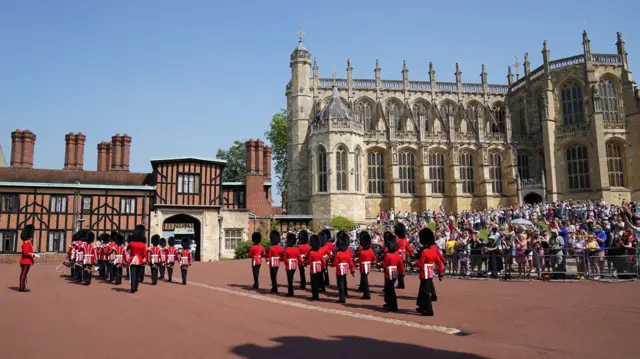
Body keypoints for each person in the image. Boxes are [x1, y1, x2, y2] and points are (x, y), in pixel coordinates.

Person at [416, 228, 444, 316]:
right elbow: (439, 263)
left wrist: (412, 264)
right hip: (430, 273)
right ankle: (421, 306)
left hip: (424, 273)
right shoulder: (433, 251)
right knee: (423, 290)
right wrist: (440, 274)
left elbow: (420, 264)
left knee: (425, 292)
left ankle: (428, 310)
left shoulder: (424, 252)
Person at [382, 232, 404, 312]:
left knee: (390, 290)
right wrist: (402, 273)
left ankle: (393, 306)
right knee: (390, 289)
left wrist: (380, 266)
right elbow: (400, 266)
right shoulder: (397, 255)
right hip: (395, 273)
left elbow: (384, 265)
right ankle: (389, 303)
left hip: (389, 273)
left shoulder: (387, 255)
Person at [332, 231, 356, 304]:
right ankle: (345, 293)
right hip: (346, 269)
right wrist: (352, 271)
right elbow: (351, 263)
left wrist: (331, 264)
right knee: (344, 281)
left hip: (339, 270)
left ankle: (342, 298)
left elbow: (335, 263)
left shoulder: (338, 254)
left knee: (340, 283)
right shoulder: (347, 253)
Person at [126, 225, 147, 293]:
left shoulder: (131, 243)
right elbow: (144, 254)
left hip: (132, 259)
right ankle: (136, 287)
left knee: (133, 275)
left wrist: (131, 254)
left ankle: (132, 288)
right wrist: (140, 257)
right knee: (138, 275)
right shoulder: (143, 245)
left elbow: (127, 250)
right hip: (139, 260)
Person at [306, 234, 327, 301]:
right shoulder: (320, 252)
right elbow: (323, 261)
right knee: (318, 282)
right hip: (319, 268)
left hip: (313, 269)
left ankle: (315, 296)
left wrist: (305, 263)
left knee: (313, 283)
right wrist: (324, 267)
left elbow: (309, 262)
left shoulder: (311, 253)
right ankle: (317, 296)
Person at [357, 231, 376, 300]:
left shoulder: (362, 252)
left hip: (363, 267)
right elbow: (374, 258)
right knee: (365, 279)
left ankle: (367, 294)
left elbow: (360, 260)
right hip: (368, 266)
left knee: (365, 280)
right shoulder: (370, 250)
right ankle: (364, 291)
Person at [394, 223, 413, 289]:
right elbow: (409, 249)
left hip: (396, 257)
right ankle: (401, 283)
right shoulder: (405, 241)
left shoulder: (396, 240)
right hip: (403, 257)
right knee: (401, 271)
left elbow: (393, 247)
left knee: (395, 270)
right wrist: (412, 255)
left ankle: (392, 283)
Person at [19, 224, 37, 292]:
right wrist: (33, 255)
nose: (32, 237)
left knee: (24, 275)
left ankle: (23, 287)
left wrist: (33, 254)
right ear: (29, 236)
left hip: (27, 261)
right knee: (23, 275)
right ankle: (22, 288)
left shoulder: (28, 242)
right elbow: (25, 253)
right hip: (26, 261)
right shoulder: (26, 243)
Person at [283, 233, 302, 297]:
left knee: (289, 280)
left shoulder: (287, 249)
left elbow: (285, 259)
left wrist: (286, 263)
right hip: (294, 265)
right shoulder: (297, 249)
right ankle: (291, 292)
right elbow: (299, 257)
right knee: (291, 278)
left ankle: (290, 292)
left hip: (289, 265)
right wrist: (301, 263)